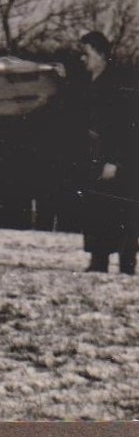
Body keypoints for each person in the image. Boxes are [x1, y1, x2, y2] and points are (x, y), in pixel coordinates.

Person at [76, 30, 138, 275]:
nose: (82, 59)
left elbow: (125, 126)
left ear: (101, 54)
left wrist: (115, 161)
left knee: (121, 211)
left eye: (86, 53)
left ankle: (126, 264)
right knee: (96, 209)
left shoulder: (117, 84)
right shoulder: (89, 83)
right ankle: (98, 260)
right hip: (95, 156)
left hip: (117, 159)